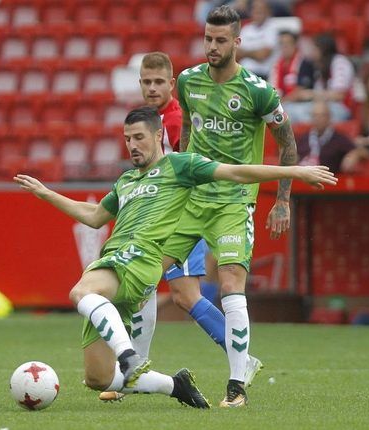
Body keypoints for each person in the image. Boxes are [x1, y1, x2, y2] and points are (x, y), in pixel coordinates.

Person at [14, 107, 335, 410]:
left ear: (158, 136)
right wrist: (46, 193)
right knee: (97, 378)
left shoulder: (180, 166)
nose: (132, 145)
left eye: (139, 137)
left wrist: (293, 171)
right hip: (116, 263)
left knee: (81, 291)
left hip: (137, 261)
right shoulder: (126, 181)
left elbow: (235, 173)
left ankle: (129, 354)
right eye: (127, 139)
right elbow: (95, 215)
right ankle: (175, 385)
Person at [97, 51, 262, 404]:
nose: (152, 88)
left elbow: (185, 169)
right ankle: (133, 372)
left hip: (182, 216)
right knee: (161, 289)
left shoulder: (174, 120)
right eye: (146, 81)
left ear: (172, 83)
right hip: (168, 218)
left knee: (179, 293)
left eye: (159, 82)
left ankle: (239, 362)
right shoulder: (148, 120)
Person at [160, 5, 301, 408]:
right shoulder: (188, 81)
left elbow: (288, 143)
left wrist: (282, 200)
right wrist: (179, 180)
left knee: (229, 284)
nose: (212, 46)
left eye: (221, 40)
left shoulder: (258, 90)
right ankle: (129, 371)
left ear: (237, 42)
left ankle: (236, 386)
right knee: (149, 271)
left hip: (235, 200)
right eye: (208, 38)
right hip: (193, 197)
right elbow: (187, 129)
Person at [283, 33, 356, 123]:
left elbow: (339, 95)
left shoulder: (340, 62)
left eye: (314, 48)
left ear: (323, 49)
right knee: (287, 109)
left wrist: (311, 94)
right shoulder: (320, 65)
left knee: (301, 115)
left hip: (341, 108)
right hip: (323, 106)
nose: (312, 51)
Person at [296, 100, 355, 174]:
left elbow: (361, 151)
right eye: (315, 115)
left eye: (322, 115)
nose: (318, 119)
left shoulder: (339, 139)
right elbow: (295, 156)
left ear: (329, 117)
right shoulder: (304, 138)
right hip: (303, 178)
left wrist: (354, 155)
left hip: (327, 180)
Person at [237, 0, 278, 80]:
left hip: (263, 75)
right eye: (255, 9)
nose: (258, 11)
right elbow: (236, 53)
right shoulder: (246, 29)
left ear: (267, 11)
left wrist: (245, 53)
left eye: (261, 9)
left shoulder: (273, 28)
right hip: (244, 74)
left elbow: (263, 55)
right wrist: (255, 53)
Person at [269, 31, 315, 101]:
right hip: (282, 103)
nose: (284, 47)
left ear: (295, 44)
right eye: (281, 44)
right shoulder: (276, 64)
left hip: (300, 104)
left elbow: (301, 90)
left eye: (288, 43)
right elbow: (272, 88)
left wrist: (283, 101)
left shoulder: (304, 63)